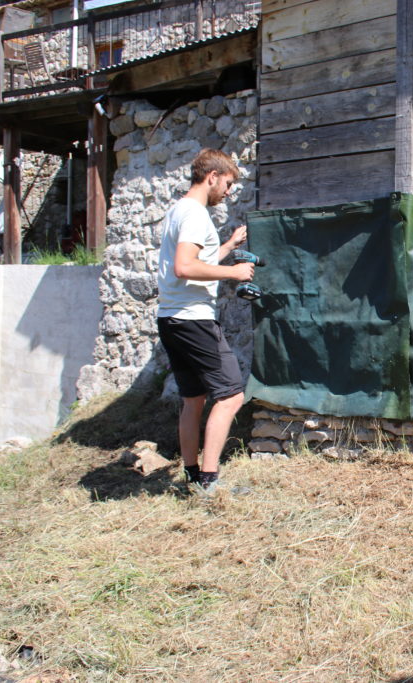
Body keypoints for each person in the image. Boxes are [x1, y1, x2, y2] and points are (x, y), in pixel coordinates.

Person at [156, 148, 255, 495]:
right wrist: (234, 273)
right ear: (212, 176)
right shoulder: (196, 214)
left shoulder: (177, 211)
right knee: (230, 397)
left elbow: (196, 260)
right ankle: (210, 484)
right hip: (194, 320)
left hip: (170, 319)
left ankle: (193, 473)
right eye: (227, 184)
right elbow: (185, 267)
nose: (227, 192)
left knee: (193, 399)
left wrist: (228, 245)